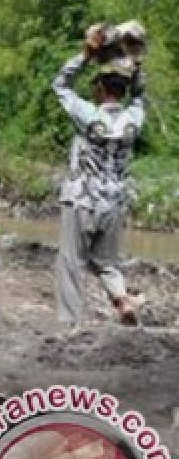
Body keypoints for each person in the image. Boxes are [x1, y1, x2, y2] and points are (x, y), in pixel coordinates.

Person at [53, 21, 147, 326]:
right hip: (114, 202)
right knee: (106, 262)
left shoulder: (88, 115)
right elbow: (140, 95)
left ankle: (70, 325)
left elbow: (60, 85)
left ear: (100, 89)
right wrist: (135, 64)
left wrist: (86, 55)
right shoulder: (134, 119)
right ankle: (122, 300)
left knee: (71, 262)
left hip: (82, 199)